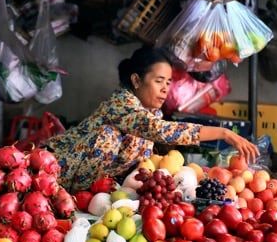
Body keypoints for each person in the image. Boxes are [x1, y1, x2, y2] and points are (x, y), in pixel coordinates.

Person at [46, 46, 260, 192]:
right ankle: (78, 195)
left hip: (103, 188)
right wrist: (224, 133)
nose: (165, 89)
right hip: (56, 175)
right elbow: (161, 130)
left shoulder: (151, 112)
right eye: (159, 81)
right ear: (137, 81)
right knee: (109, 135)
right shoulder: (122, 104)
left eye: (168, 82)